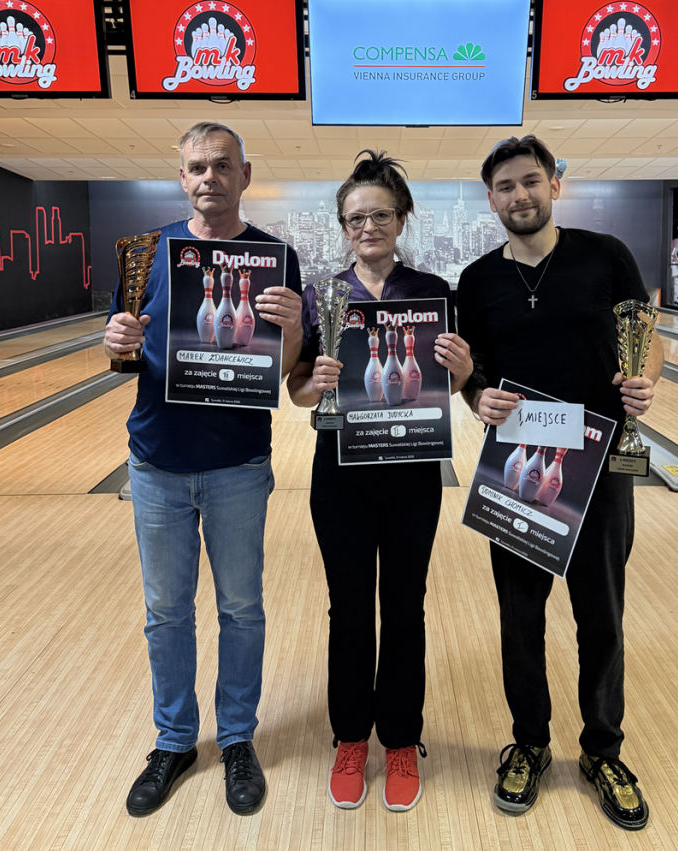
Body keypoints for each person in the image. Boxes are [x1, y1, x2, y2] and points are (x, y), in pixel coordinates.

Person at [456, 135, 664, 831]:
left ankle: (603, 749)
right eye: (506, 186)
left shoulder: (605, 256)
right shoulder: (478, 280)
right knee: (521, 618)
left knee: (600, 614)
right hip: (516, 468)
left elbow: (646, 332)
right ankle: (531, 741)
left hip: (599, 466)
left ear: (554, 186)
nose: (520, 195)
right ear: (491, 198)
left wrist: (647, 377)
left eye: (531, 181)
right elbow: (472, 373)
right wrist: (476, 396)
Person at [103, 121, 303, 817]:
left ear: (245, 175)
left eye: (222, 165)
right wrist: (115, 338)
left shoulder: (277, 258)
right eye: (196, 166)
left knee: (240, 608)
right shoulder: (148, 254)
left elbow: (284, 374)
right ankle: (176, 740)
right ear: (180, 176)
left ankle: (238, 737)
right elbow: (122, 351)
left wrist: (298, 327)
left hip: (237, 463)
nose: (208, 177)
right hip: (156, 461)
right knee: (166, 613)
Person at [287, 151, 473, 812]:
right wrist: (318, 383)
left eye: (380, 214)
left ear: (402, 219)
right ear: (343, 225)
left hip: (412, 474)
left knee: (404, 603)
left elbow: (451, 386)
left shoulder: (433, 294)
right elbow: (298, 390)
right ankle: (349, 737)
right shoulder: (322, 295)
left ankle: (399, 736)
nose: (368, 225)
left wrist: (462, 364)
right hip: (339, 474)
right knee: (347, 608)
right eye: (355, 217)